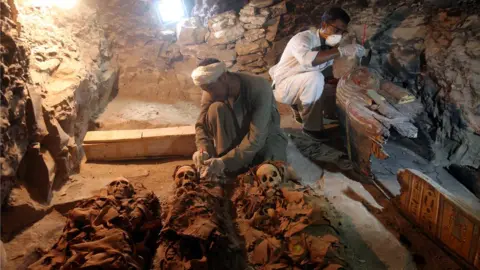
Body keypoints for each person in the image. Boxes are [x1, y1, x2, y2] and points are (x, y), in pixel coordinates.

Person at [269, 7, 366, 140]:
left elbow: (327, 70)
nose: (339, 34)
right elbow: (309, 61)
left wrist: (338, 80)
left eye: (342, 32)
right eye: (336, 30)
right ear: (324, 24)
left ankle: (308, 110)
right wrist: (342, 51)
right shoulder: (303, 38)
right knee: (315, 78)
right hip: (284, 85)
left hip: (301, 83)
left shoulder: (329, 44)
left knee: (337, 87)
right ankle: (311, 128)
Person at [191, 58, 288, 178]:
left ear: (223, 78)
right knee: (215, 108)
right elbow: (201, 126)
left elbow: (256, 137)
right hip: (235, 139)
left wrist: (224, 162)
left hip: (264, 137)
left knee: (267, 171)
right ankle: (227, 164)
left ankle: (229, 162)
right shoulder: (211, 90)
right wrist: (203, 150)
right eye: (205, 90)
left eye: (210, 89)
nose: (209, 95)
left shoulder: (259, 88)